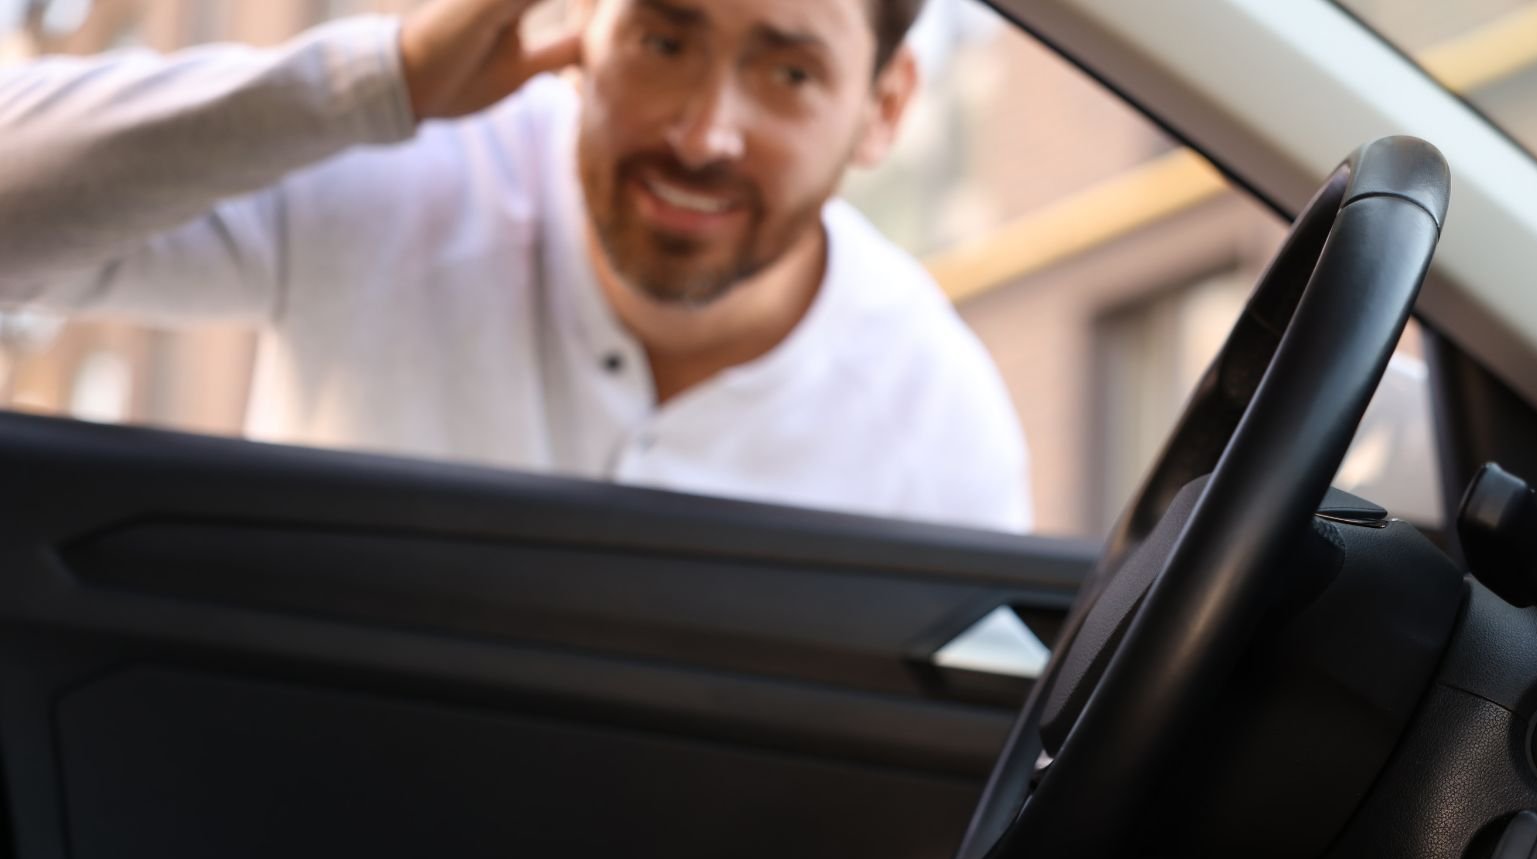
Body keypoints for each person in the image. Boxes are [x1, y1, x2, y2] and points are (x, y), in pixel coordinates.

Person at [0, 0, 1033, 532]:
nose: (703, 133)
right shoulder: (399, 177)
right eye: (664, 42)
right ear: (585, 29)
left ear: (885, 107)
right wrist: (385, 80)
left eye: (789, 73)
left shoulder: (940, 421)